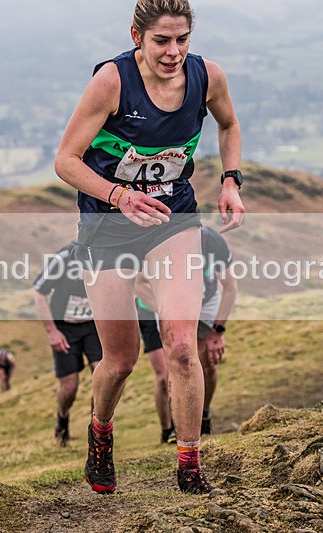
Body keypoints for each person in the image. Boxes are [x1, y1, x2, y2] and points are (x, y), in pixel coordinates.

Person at [54, 0, 245, 494]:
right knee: (120, 360)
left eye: (182, 40)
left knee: (183, 346)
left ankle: (189, 464)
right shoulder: (111, 82)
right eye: (161, 40)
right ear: (137, 36)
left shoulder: (207, 77)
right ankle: (100, 432)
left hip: (172, 219)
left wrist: (230, 181)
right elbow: (66, 160)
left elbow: (228, 124)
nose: (173, 51)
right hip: (108, 228)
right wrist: (119, 195)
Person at [137, 225, 238, 439]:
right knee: (173, 366)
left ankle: (203, 416)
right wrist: (165, 311)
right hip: (168, 303)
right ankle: (171, 428)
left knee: (206, 363)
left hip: (206, 301)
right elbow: (138, 285)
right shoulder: (156, 239)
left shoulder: (212, 241)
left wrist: (217, 332)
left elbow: (230, 286)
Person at [33, 241, 103, 448]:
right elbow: (39, 291)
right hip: (65, 329)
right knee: (69, 387)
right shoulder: (63, 257)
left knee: (103, 375)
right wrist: (52, 332)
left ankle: (98, 430)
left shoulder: (108, 254)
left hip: (93, 327)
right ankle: (62, 420)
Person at [136, 298, 176, 444]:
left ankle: (180, 425)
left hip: (175, 309)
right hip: (149, 312)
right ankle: (166, 428)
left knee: (179, 370)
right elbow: (139, 285)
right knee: (163, 376)